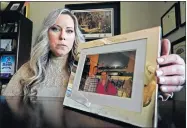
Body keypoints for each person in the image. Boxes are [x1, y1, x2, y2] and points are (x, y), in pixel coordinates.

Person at [1, 8, 185, 99]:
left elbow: (129, 94)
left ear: (75, 37)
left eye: (70, 31)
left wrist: (157, 83)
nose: (63, 36)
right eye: (56, 29)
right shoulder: (29, 70)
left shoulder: (90, 66)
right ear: (46, 34)